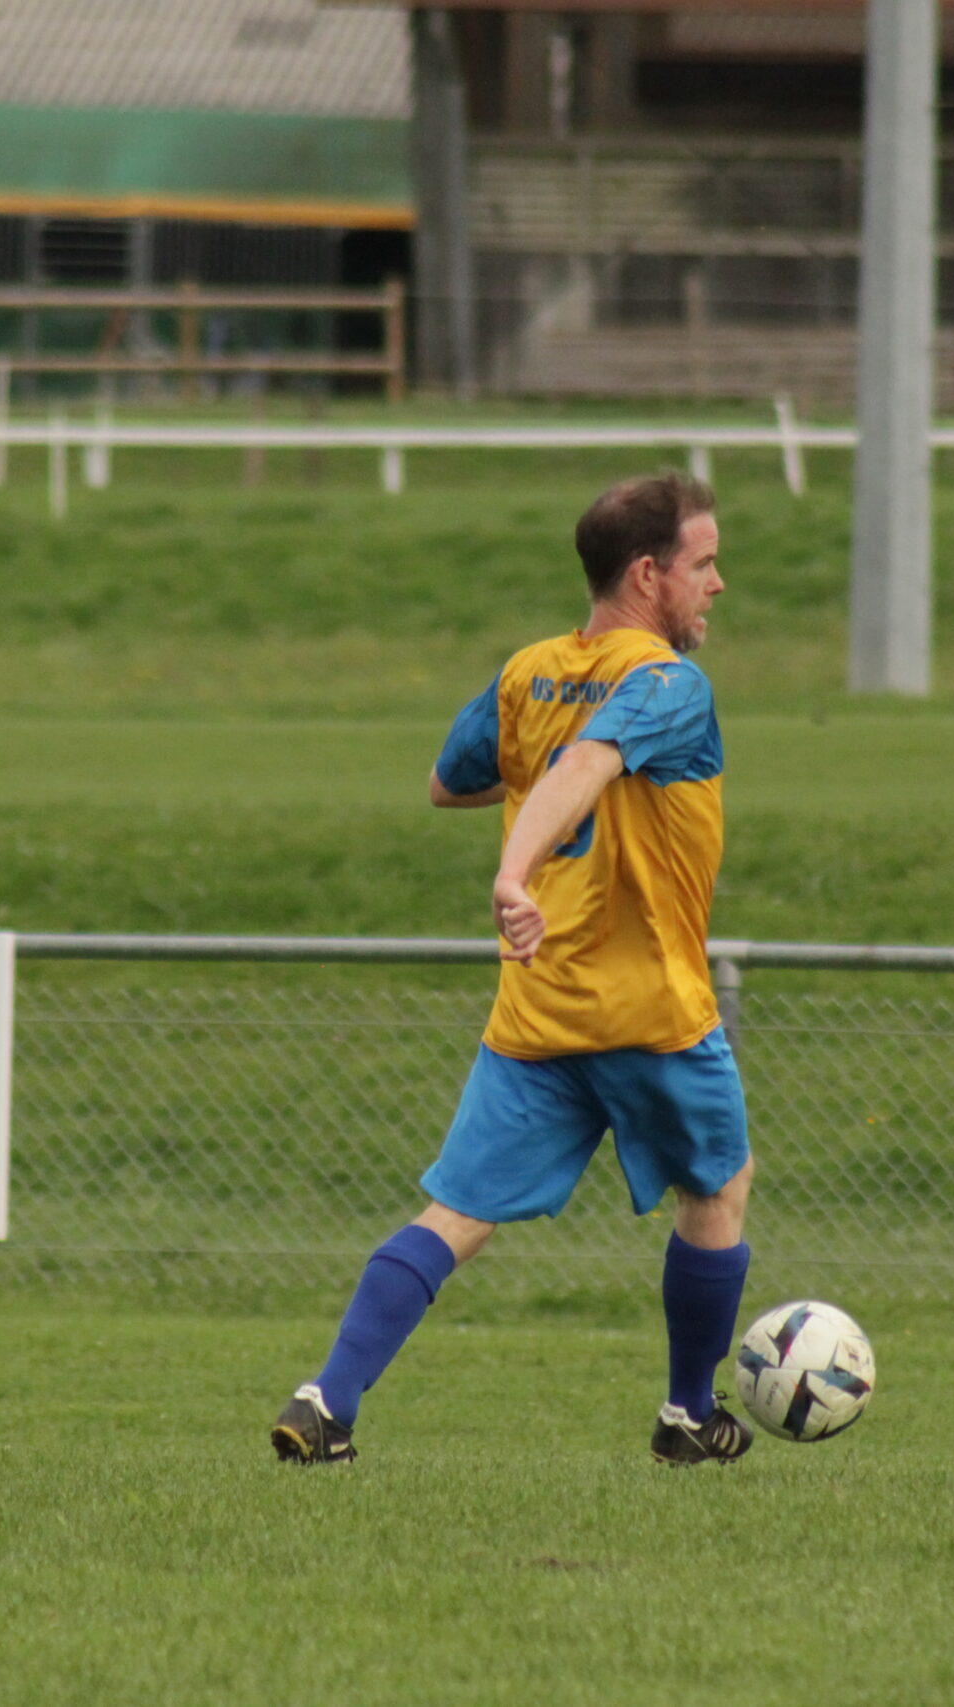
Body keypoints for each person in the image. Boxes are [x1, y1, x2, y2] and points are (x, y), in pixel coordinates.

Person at [272, 470, 754, 1468]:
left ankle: (327, 1401)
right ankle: (686, 1412)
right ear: (647, 574)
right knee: (717, 1186)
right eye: (703, 565)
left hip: (536, 1015)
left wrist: (536, 804)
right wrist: (514, 870)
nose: (717, 584)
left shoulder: (528, 673)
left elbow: (448, 783)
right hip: (651, 1013)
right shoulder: (666, 683)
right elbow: (585, 766)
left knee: (457, 1213)